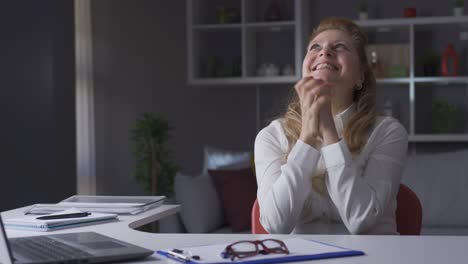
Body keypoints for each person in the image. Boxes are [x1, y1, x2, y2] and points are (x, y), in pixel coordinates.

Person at [254, 17, 408, 235]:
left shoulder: (388, 132)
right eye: (315, 47)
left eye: (340, 47)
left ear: (360, 77)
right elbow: (276, 225)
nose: (324, 52)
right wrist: (307, 135)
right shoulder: (271, 136)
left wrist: (327, 129)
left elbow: (360, 220)